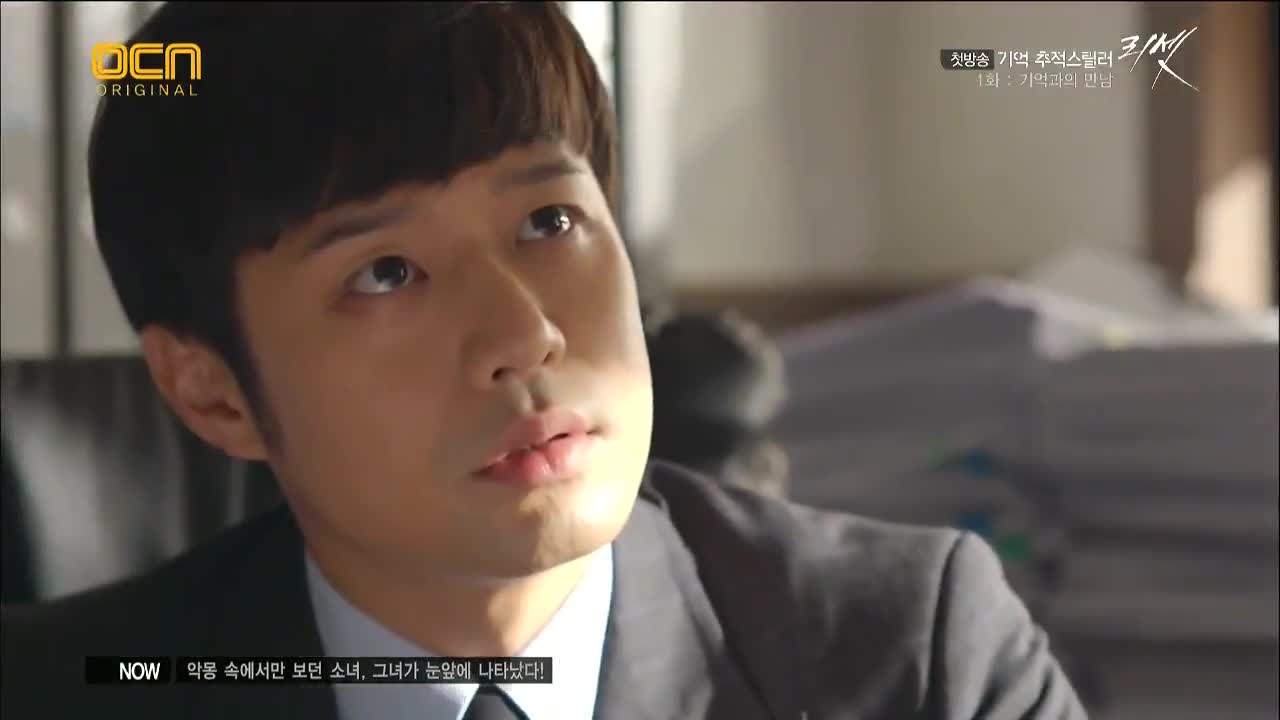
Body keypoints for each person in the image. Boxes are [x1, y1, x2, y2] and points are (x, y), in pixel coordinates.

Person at [0, 3, 1087, 719]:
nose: (522, 335)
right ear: (213, 392)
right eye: (386, 272)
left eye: (549, 222)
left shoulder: (910, 659)